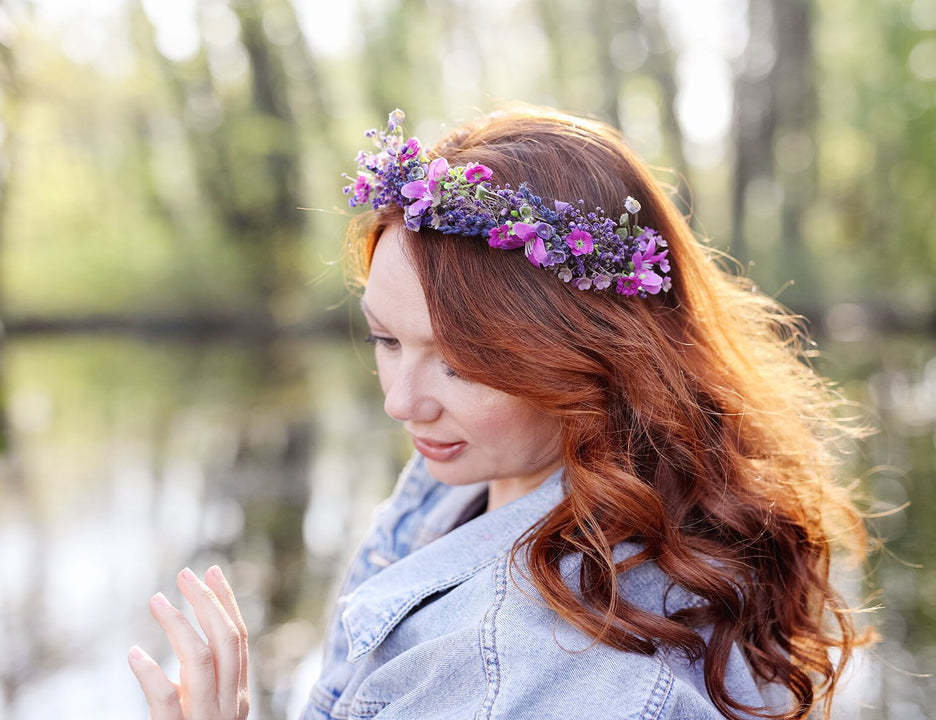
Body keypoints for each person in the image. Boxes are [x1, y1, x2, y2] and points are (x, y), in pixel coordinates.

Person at [128, 106, 869, 720]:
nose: (399, 402)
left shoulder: (536, 677)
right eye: (385, 339)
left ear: (592, 358)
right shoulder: (481, 480)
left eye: (461, 364)